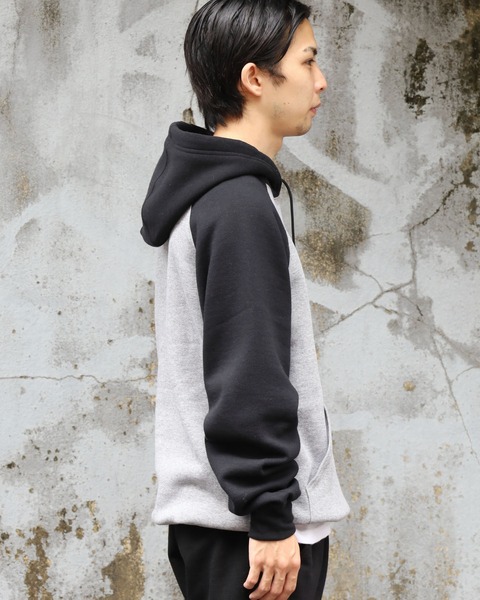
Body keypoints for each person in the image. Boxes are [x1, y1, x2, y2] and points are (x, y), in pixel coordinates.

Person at [140, 1, 350, 598]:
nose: (321, 81)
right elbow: (248, 369)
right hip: (254, 537)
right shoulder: (237, 206)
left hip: (224, 524)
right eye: (307, 61)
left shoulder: (209, 196)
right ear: (255, 78)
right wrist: (270, 512)